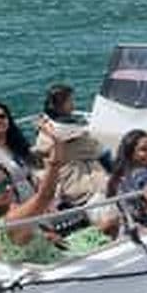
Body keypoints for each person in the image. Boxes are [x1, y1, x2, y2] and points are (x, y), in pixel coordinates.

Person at [0, 134, 71, 263]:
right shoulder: (12, 220)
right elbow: (45, 197)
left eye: (8, 182)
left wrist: (42, 236)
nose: (8, 188)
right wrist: (55, 161)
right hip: (57, 264)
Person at [33, 84, 116, 234]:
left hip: (74, 184)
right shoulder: (67, 134)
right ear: (61, 104)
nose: (73, 105)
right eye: (70, 101)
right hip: (85, 189)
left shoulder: (45, 130)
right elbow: (95, 149)